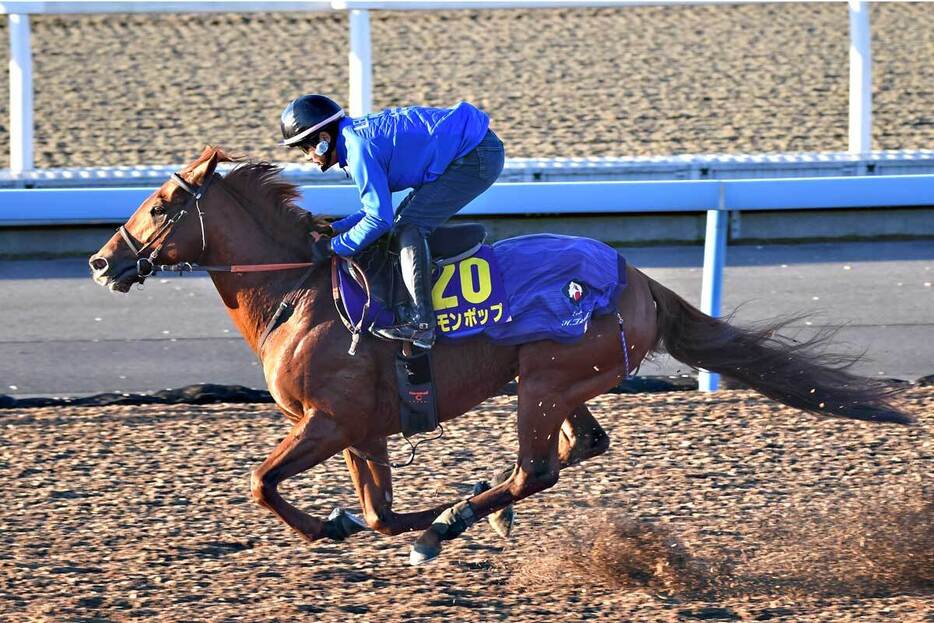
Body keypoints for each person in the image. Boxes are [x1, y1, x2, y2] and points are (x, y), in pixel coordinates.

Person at [279, 94, 504, 349]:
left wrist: (334, 247)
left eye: (305, 148)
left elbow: (378, 220)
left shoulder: (359, 150)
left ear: (323, 140)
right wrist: (333, 229)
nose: (308, 156)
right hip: (472, 149)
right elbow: (375, 213)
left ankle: (422, 323)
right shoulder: (353, 139)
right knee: (402, 223)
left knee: (409, 227)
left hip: (476, 156)